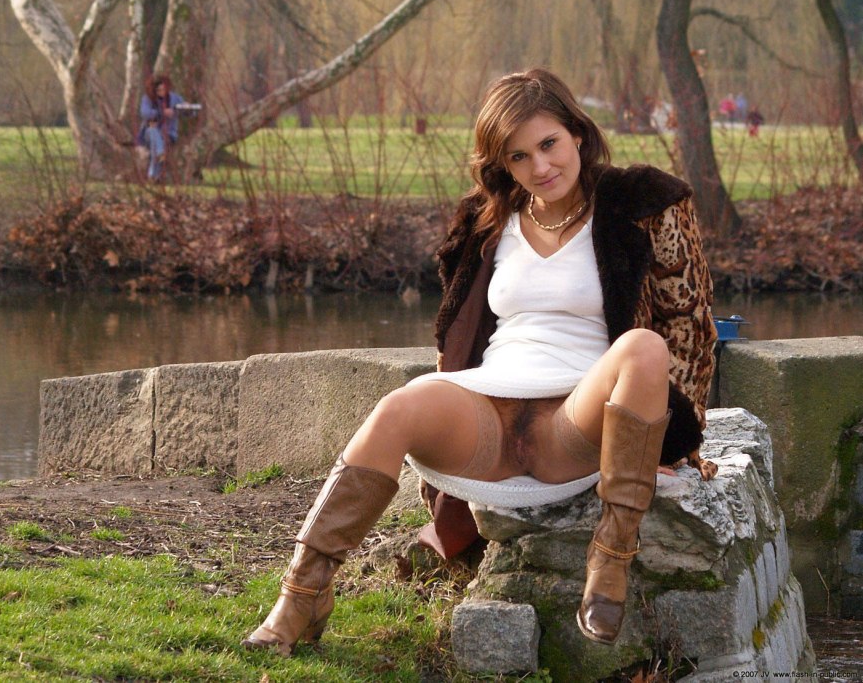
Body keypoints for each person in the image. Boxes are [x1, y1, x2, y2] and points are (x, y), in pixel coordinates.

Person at [241, 67, 719, 656]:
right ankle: (301, 595)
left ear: (576, 132)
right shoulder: (489, 219)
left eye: (549, 145)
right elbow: (455, 331)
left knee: (643, 346)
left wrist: (673, 436)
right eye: (519, 157)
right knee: (398, 405)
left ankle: (611, 558)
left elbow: (689, 326)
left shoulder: (642, 205)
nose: (540, 168)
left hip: (574, 421)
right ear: (503, 163)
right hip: (488, 416)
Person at [138, 74, 184, 182]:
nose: (162, 92)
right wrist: (161, 113)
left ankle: (153, 175)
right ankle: (160, 155)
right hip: (149, 133)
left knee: (157, 143)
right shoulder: (147, 99)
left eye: (164, 89)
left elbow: (186, 111)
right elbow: (145, 113)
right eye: (159, 90)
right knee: (153, 131)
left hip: (168, 133)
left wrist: (183, 108)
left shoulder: (175, 98)